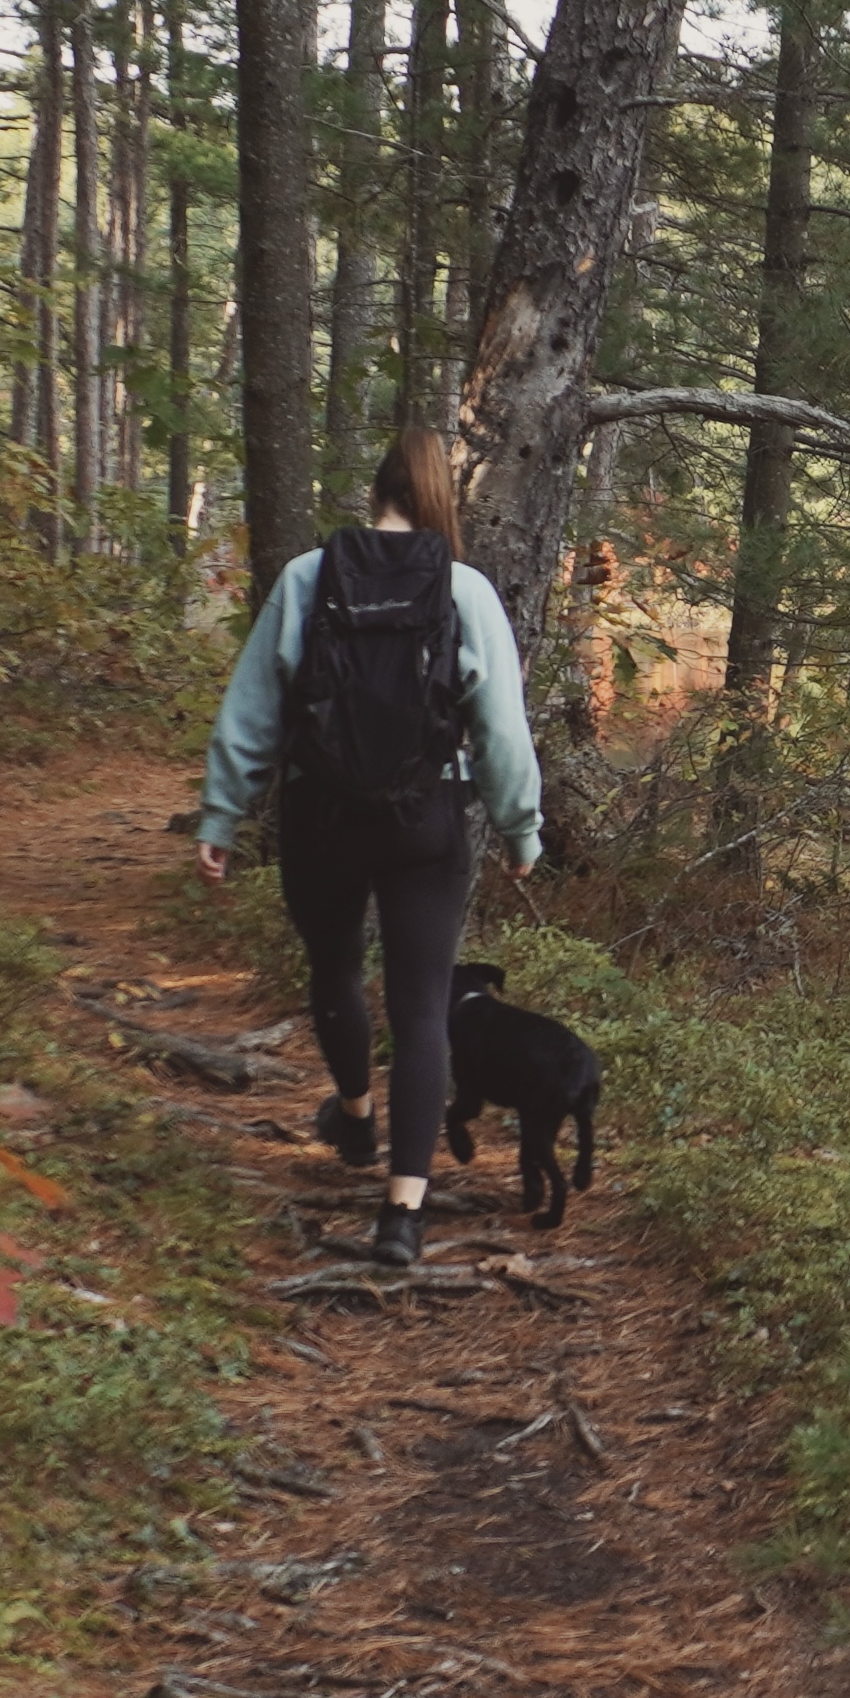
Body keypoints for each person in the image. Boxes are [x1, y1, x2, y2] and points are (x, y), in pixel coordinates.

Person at [195, 428, 544, 1268]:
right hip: (425, 821)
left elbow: (254, 709)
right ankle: (402, 1213)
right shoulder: (464, 590)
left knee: (333, 968)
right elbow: (498, 727)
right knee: (422, 1006)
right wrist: (519, 824)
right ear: (434, 503)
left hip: (319, 816)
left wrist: (222, 815)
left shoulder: (306, 579)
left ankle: (354, 1115)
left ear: (375, 496)